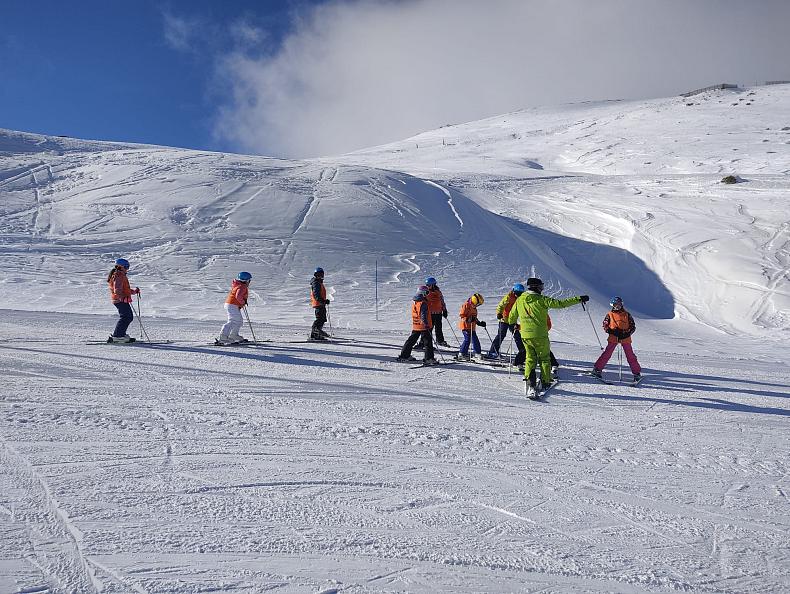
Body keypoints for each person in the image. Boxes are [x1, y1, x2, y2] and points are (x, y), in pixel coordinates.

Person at [507, 277, 589, 398]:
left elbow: (511, 317)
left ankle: (530, 382)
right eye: (541, 287)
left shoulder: (519, 300)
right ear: (536, 287)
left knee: (530, 359)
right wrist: (579, 299)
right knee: (544, 359)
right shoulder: (541, 299)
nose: (542, 289)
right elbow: (561, 304)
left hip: (526, 335)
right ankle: (545, 381)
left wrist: (515, 325)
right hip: (540, 335)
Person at [591, 297, 642, 382]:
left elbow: (633, 326)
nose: (617, 306)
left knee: (630, 355)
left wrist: (626, 333)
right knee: (607, 353)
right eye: (615, 305)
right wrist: (612, 331)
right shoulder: (610, 314)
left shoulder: (627, 314)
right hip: (613, 337)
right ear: (613, 305)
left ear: (622, 304)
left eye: (619, 304)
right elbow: (605, 325)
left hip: (625, 338)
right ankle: (597, 369)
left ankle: (637, 373)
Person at [397, 286, 438, 364]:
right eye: (427, 292)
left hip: (416, 325)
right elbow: (423, 314)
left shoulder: (415, 301)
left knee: (411, 340)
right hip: (424, 326)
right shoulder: (423, 302)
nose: (428, 294)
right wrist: (425, 323)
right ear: (422, 293)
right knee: (428, 342)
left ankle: (404, 355)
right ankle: (429, 359)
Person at [486, 284, 526, 362]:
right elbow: (500, 306)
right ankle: (493, 352)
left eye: (520, 293)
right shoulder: (508, 297)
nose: (518, 295)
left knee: (517, 336)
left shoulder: (520, 299)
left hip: (512, 320)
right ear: (514, 291)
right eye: (517, 293)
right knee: (501, 335)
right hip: (504, 319)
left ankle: (523, 353)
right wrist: (499, 313)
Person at [107, 258, 140, 343]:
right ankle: (118, 336)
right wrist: (123, 298)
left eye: (127, 267)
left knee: (128, 317)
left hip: (121, 299)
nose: (127, 269)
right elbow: (117, 290)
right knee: (126, 317)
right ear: (120, 266)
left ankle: (120, 334)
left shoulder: (120, 274)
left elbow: (124, 289)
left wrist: (134, 292)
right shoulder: (119, 275)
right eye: (126, 267)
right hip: (120, 300)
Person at [217, 272, 252, 345]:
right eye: (249, 280)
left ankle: (234, 335)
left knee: (239, 321)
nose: (249, 282)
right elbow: (238, 296)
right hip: (232, 305)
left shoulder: (239, 285)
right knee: (233, 320)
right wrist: (242, 302)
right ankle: (223, 337)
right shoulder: (242, 286)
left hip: (232, 305)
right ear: (246, 280)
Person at [420, 277, 450, 348]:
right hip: (429, 313)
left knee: (439, 328)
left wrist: (444, 310)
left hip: (438, 313)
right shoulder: (426, 292)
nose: (427, 286)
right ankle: (423, 342)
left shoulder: (438, 292)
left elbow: (442, 301)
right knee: (428, 328)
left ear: (433, 285)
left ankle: (440, 340)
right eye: (427, 285)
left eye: (429, 285)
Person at [457, 293, 486, 361]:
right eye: (478, 304)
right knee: (467, 339)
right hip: (465, 326)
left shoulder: (474, 308)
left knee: (475, 340)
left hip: (472, 327)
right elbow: (462, 315)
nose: (477, 305)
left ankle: (477, 353)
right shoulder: (466, 305)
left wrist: (479, 323)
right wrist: (468, 319)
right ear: (474, 301)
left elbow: (474, 318)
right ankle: (461, 354)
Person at [310, 267, 330, 340]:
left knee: (322, 319)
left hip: (320, 303)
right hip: (318, 303)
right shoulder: (316, 283)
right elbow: (316, 294)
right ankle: (315, 333)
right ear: (316, 275)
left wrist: (324, 301)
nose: (321, 276)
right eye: (319, 274)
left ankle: (316, 334)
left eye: (322, 274)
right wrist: (323, 301)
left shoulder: (319, 282)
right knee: (320, 319)